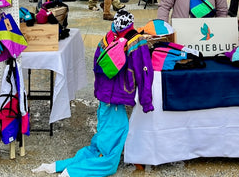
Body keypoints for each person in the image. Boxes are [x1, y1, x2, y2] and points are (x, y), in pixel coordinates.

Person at [32, 10, 154, 177]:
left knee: (99, 143)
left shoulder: (107, 37)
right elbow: (145, 72)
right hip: (117, 101)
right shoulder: (137, 42)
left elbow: (97, 67)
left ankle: (58, 166)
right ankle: (72, 172)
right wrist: (146, 101)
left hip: (104, 98)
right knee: (110, 158)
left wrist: (99, 91)